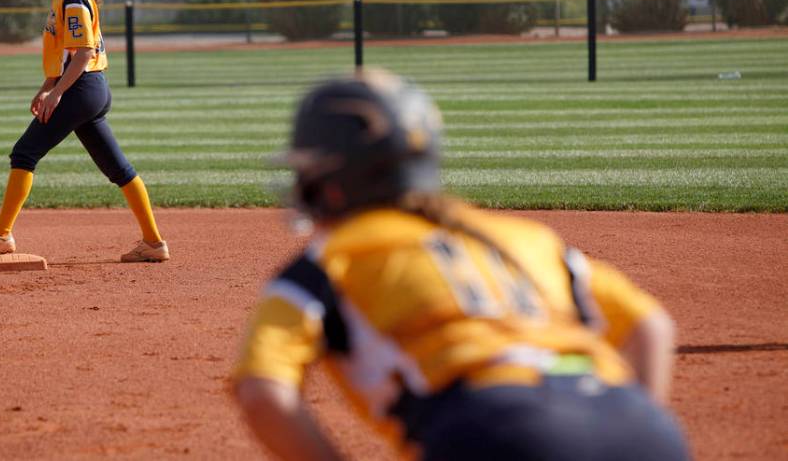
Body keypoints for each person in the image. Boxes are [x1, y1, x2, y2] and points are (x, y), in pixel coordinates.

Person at [232, 69, 689, 461]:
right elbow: (651, 325)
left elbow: (262, 391)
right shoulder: (516, 236)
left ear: (331, 183)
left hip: (494, 432)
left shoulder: (331, 259)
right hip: (641, 426)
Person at [0, 0, 169, 264]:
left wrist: (57, 93)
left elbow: (84, 53)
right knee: (118, 169)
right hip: (89, 88)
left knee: (24, 153)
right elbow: (67, 54)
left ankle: (0, 235)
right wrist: (47, 86)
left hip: (82, 87)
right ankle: (154, 243)